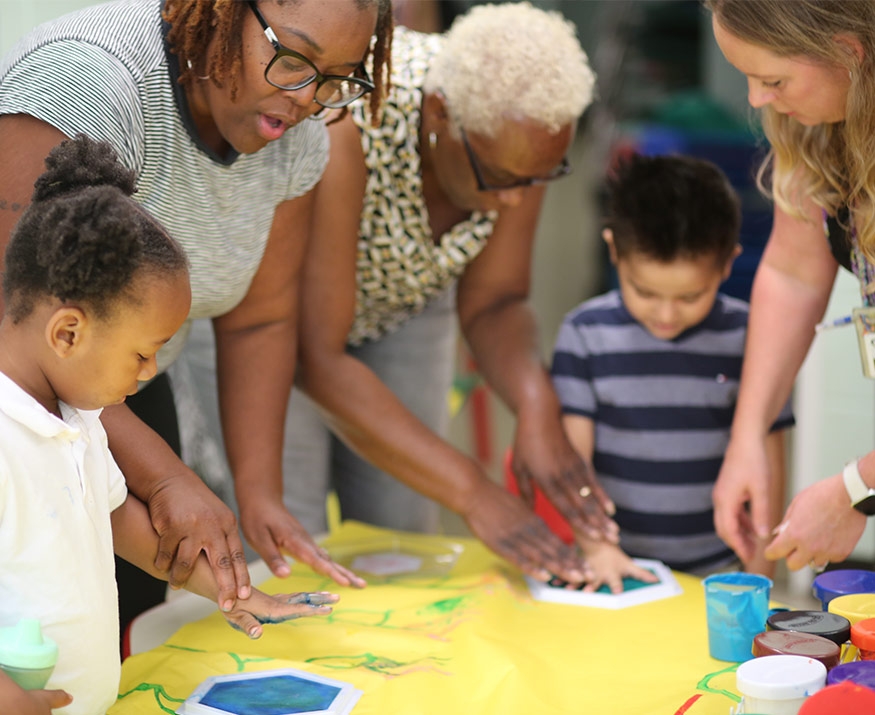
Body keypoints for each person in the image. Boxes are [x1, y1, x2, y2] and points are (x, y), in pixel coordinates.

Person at [180, 1, 618, 584]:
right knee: (293, 539)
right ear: (441, 115)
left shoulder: (523, 133)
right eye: (501, 181)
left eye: (535, 180)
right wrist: (474, 492)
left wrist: (537, 411)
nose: (516, 201)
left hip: (402, 306)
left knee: (405, 539)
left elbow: (495, 301)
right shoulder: (347, 124)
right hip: (270, 325)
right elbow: (317, 356)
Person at [0, 0, 391, 637]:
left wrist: (257, 495)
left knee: (121, 609)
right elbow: (11, 310)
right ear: (224, 12)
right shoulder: (88, 81)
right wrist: (166, 476)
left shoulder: (298, 133)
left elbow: (261, 317)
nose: (307, 100)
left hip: (103, 386)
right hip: (27, 387)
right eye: (293, 59)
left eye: (337, 79)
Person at [0, 134, 338, 715]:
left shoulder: (77, 417)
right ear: (68, 334)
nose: (153, 371)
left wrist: (231, 593)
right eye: (143, 353)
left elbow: (119, 524)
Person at [548, 153, 794, 593]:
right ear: (614, 252)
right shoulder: (585, 335)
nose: (665, 314)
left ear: (727, 264)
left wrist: (757, 571)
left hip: (719, 571)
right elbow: (574, 461)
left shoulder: (753, 337)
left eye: (689, 296)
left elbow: (769, 466)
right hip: (618, 566)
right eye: (644, 291)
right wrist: (596, 546)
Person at [706, 0, 875, 571]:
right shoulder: (823, 129)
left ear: (850, 54)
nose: (756, 100)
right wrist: (747, 435)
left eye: (772, 80)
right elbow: (793, 271)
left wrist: (855, 489)